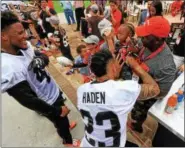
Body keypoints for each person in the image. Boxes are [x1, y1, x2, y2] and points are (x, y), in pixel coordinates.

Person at [1, 11, 80, 147]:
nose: (25, 36)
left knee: (63, 120)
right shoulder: (8, 67)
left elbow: (42, 55)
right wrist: (56, 111)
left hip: (52, 90)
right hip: (48, 102)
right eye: (20, 33)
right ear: (4, 36)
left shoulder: (23, 46)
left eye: (23, 31)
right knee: (60, 120)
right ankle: (67, 142)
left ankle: (64, 127)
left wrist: (40, 59)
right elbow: (29, 101)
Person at [77, 49, 160, 147]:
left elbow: (104, 94)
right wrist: (136, 66)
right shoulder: (122, 89)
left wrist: (113, 77)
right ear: (113, 67)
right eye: (117, 62)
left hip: (88, 144)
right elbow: (155, 89)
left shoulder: (81, 90)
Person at [130, 16, 176, 133]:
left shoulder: (166, 65)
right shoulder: (147, 42)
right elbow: (139, 45)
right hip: (138, 83)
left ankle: (137, 125)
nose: (141, 38)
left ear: (158, 40)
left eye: (145, 36)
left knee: (138, 111)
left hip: (150, 93)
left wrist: (138, 69)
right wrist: (135, 50)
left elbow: (161, 93)